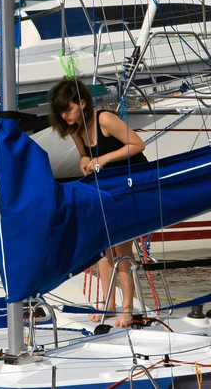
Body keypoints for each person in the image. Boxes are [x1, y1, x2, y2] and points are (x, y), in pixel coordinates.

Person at [48, 77, 147, 327]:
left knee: (122, 249)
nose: (64, 115)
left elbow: (137, 144)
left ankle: (127, 308)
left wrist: (103, 159)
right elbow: (84, 155)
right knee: (103, 249)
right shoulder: (75, 128)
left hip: (131, 185)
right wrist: (84, 160)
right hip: (107, 188)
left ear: (82, 103)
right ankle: (109, 305)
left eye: (68, 109)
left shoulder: (104, 119)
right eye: (61, 111)